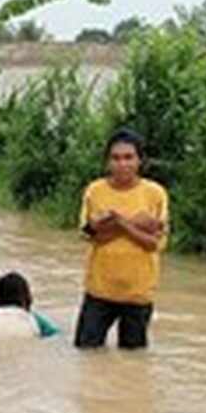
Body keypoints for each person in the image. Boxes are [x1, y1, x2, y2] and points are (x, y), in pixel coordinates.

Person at [75, 128, 169, 350]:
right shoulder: (94, 191)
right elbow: (89, 235)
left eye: (128, 157)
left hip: (138, 293)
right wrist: (136, 223)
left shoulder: (155, 194)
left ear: (140, 161)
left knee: (133, 364)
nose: (122, 164)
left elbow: (153, 244)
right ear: (107, 162)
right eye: (116, 158)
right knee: (86, 354)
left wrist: (117, 221)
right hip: (99, 290)